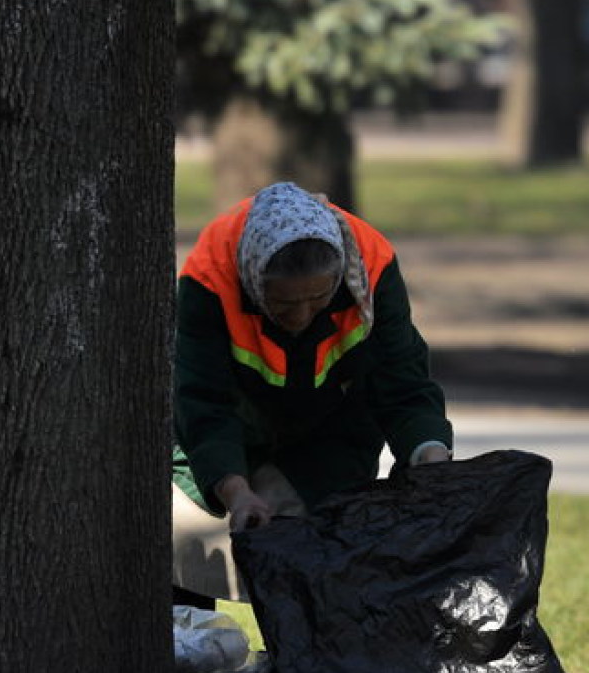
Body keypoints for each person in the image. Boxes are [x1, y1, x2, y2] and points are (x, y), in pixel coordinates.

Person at [173, 182, 452, 579]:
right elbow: (202, 400)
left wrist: (428, 453)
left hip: (333, 429)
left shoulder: (372, 267)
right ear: (252, 279)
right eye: (284, 303)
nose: (302, 316)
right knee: (182, 540)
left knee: (320, 550)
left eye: (319, 299)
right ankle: (186, 636)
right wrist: (235, 491)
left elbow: (400, 377)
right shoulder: (208, 280)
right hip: (233, 429)